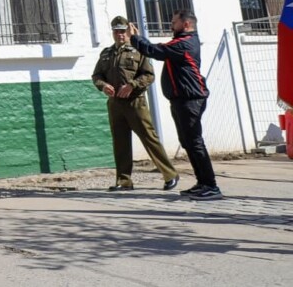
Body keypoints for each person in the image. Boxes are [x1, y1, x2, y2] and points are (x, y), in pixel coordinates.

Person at [128, 10, 222, 200]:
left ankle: (211, 186)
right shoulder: (181, 42)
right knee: (187, 142)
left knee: (195, 143)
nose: (171, 25)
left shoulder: (184, 43)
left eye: (174, 22)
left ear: (186, 24)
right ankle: (202, 183)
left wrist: (135, 38)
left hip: (191, 100)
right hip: (181, 100)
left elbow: (155, 51)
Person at [93, 16, 179, 193]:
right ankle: (124, 181)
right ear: (113, 33)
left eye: (123, 31)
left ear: (128, 32)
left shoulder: (137, 51)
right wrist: (103, 86)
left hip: (135, 102)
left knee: (149, 138)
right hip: (115, 104)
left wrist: (132, 85)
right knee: (120, 142)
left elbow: (149, 75)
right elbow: (97, 76)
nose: (120, 35)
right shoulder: (106, 53)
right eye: (117, 31)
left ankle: (170, 174)